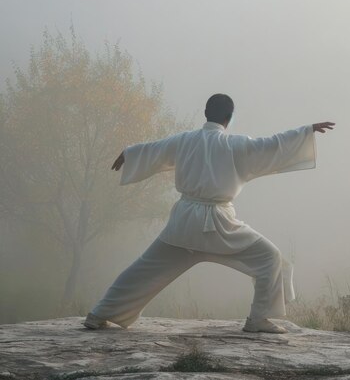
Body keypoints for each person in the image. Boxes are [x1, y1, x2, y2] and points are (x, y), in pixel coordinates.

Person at [84, 94, 335, 334]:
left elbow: (153, 149)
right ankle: (259, 318)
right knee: (270, 258)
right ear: (229, 117)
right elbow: (272, 145)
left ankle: (99, 314)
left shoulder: (184, 140)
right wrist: (306, 131)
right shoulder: (236, 144)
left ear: (206, 114)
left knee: (145, 269)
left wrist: (129, 154)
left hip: (183, 225)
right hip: (220, 226)